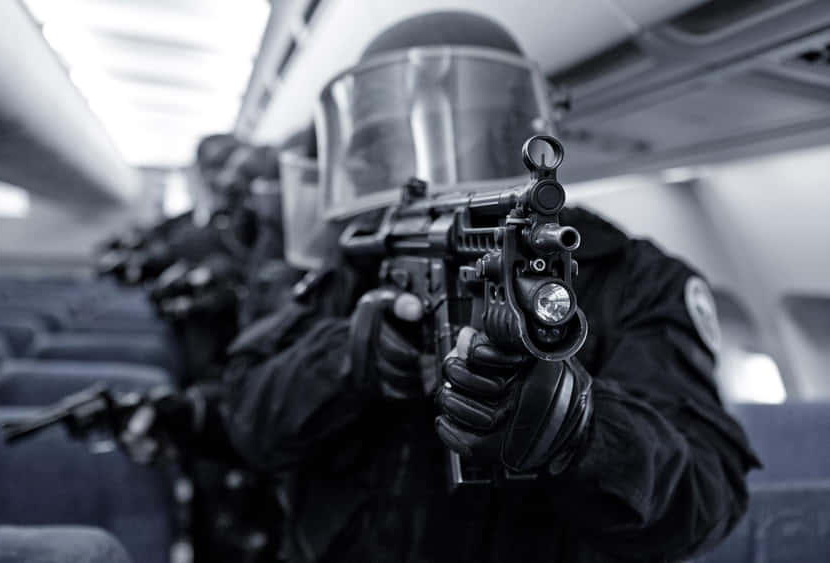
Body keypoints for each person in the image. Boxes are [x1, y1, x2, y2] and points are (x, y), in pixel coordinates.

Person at [203, 11, 762, 563]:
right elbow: (246, 418)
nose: (404, 169)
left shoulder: (628, 278)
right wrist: (342, 362)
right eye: (382, 145)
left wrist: (583, 430)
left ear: (510, 129)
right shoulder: (358, 259)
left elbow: (705, 498)